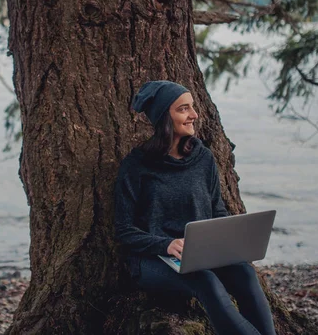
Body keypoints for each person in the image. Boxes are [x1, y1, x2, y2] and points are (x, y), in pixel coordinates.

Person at [114, 80, 276, 335]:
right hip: (152, 259)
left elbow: (216, 210)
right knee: (205, 279)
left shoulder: (203, 158)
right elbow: (124, 230)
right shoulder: (136, 166)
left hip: (201, 253)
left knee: (244, 271)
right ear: (164, 117)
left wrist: (230, 240)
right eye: (183, 109)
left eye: (192, 107)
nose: (194, 115)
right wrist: (165, 244)